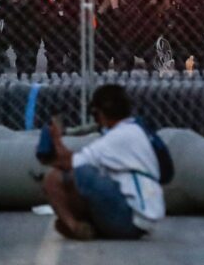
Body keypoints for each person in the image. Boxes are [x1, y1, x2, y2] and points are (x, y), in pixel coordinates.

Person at [43, 84, 165, 240]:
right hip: (140, 219)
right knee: (75, 175)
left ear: (99, 113)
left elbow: (68, 162)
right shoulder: (134, 129)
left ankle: (73, 225)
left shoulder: (119, 136)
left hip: (129, 219)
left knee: (67, 175)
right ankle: (80, 225)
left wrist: (55, 139)